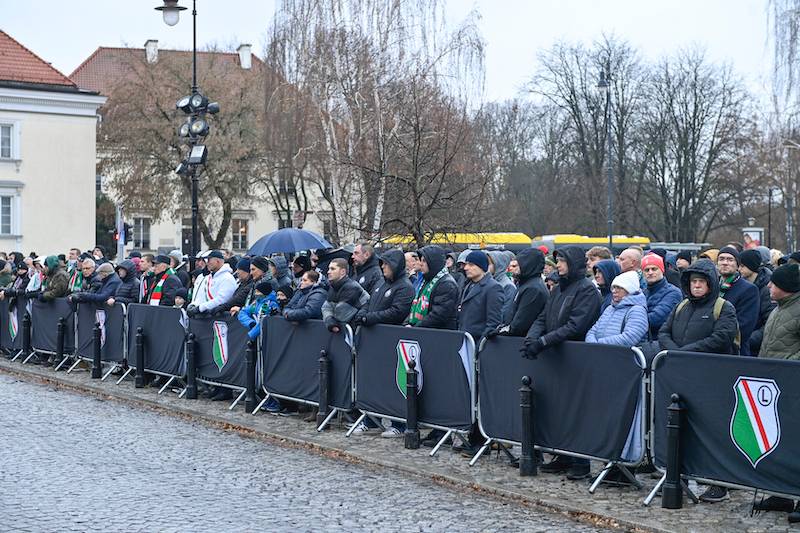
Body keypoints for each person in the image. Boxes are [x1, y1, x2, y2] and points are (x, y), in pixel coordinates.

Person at [523, 245, 601, 481]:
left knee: (577, 411)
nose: (558, 264)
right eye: (558, 261)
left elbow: (575, 326)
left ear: (574, 263)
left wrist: (543, 341)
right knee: (558, 410)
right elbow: (543, 317)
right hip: (555, 358)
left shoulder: (587, 290)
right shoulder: (557, 290)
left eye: (563, 261)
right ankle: (563, 455)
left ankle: (580, 461)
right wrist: (532, 338)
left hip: (576, 358)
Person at [658, 259, 739, 356]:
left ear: (710, 283)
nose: (697, 285)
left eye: (702, 281)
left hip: (708, 366)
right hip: (676, 363)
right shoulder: (681, 306)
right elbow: (664, 332)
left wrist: (685, 352)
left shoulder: (723, 307)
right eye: (693, 281)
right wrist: (674, 351)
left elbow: (721, 338)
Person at [491, 248, 548, 337]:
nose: (513, 267)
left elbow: (521, 323)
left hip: (520, 342)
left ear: (528, 264)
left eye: (519, 264)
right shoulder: (526, 284)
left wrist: (501, 331)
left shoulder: (533, 289)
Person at [716, 246, 760, 355]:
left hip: (735, 351)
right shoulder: (712, 286)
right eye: (721, 259)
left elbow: (744, 327)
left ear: (738, 265)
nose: (725, 263)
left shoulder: (748, 289)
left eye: (730, 260)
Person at [586, 271, 649, 346]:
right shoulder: (609, 308)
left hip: (623, 356)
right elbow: (593, 330)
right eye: (613, 287)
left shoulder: (637, 310)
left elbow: (630, 338)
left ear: (630, 290)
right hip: (600, 352)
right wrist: (592, 343)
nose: (614, 291)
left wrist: (600, 344)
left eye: (619, 288)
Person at [356, 249, 414, 328]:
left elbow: (396, 313)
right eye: (382, 263)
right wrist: (362, 313)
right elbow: (369, 302)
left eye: (386, 263)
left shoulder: (405, 287)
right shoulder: (381, 283)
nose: (382, 266)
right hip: (370, 332)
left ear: (395, 265)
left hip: (388, 333)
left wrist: (369, 318)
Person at [408, 245, 459, 330]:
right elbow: (415, 305)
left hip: (439, 336)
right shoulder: (427, 279)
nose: (420, 264)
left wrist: (415, 328)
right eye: (421, 260)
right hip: (424, 332)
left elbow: (438, 315)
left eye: (424, 261)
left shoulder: (447, 284)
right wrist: (409, 323)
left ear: (433, 262)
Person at [457, 251, 503, 342]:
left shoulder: (493, 287)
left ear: (481, 266)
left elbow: (493, 323)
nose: (466, 268)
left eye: (471, 265)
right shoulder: (468, 285)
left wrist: (480, 346)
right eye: (466, 264)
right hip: (464, 341)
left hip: (477, 343)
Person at [738, 249, 776, 356]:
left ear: (751, 266)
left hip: (755, 348)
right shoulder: (743, 286)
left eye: (742, 266)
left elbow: (769, 323)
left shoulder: (766, 290)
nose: (739, 269)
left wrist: (747, 341)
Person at [321, 258, 369, 333]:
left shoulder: (352, 287)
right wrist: (330, 320)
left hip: (358, 331)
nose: (328, 272)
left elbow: (341, 315)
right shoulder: (333, 287)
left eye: (332, 269)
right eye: (329, 269)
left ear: (342, 272)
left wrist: (329, 318)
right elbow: (325, 307)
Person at [642, 253, 682, 339]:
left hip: (659, 341)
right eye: (647, 270)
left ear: (662, 270)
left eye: (654, 269)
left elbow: (656, 319)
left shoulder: (673, 292)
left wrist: (633, 320)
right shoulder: (642, 292)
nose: (650, 272)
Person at [187, 250, 237, 317]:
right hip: (205, 317)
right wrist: (194, 305)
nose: (207, 263)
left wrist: (200, 308)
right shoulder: (208, 277)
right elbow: (201, 295)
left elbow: (222, 300)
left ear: (218, 261)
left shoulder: (227, 278)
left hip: (218, 318)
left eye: (209, 260)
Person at [487, 251, 517, 323]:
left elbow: (505, 313)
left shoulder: (508, 286)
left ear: (498, 265)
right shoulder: (489, 281)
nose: (486, 266)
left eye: (489, 264)